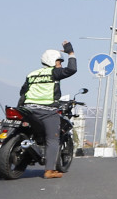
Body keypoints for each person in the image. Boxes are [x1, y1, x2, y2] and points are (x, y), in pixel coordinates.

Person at [17, 41, 77, 178]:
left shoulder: (31, 74)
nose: (60, 65)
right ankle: (49, 170)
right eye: (59, 62)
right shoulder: (54, 73)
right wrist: (71, 53)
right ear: (52, 61)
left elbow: (23, 92)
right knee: (52, 139)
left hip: (27, 110)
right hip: (47, 112)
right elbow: (72, 69)